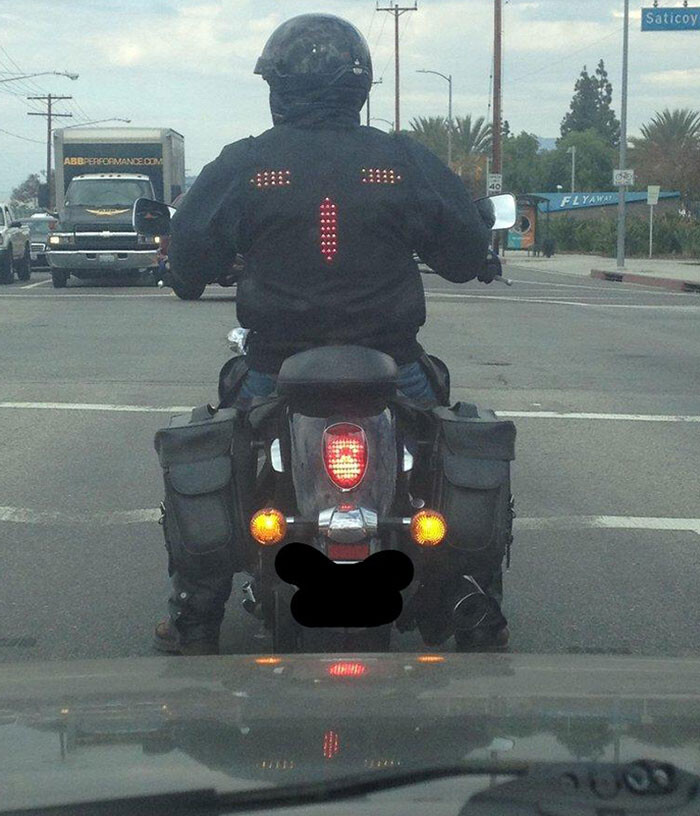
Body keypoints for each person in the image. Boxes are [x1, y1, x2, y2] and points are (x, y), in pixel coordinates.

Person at [155, 13, 503, 655]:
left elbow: (189, 257)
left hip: (275, 367)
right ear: (360, 86)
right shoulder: (400, 160)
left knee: (221, 446)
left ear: (277, 87)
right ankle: (470, 599)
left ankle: (195, 611)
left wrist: (184, 268)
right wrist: (478, 250)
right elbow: (463, 254)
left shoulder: (248, 162)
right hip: (392, 365)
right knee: (443, 441)